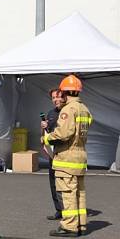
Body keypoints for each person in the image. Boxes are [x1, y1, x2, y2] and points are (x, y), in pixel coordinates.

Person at [43, 75, 92, 237]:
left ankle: (69, 226)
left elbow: (64, 133)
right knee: (80, 193)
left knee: (68, 192)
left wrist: (47, 137)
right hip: (80, 156)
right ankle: (81, 224)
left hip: (67, 158)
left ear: (66, 92)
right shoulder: (84, 108)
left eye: (61, 93)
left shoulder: (68, 110)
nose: (60, 97)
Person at [41, 88, 65, 221]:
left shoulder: (67, 112)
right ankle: (59, 210)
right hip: (52, 154)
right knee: (53, 183)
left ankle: (68, 211)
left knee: (65, 183)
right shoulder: (51, 113)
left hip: (64, 153)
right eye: (53, 98)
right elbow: (48, 132)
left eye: (58, 97)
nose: (56, 100)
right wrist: (44, 127)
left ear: (64, 97)